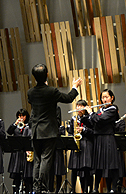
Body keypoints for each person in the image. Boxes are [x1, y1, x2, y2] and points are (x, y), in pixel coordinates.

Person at [27, 63, 81, 193]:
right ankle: (43, 187)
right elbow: (68, 98)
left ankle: (36, 188)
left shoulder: (30, 92)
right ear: (47, 75)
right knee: (46, 159)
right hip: (48, 131)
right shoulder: (51, 91)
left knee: (37, 161)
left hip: (35, 131)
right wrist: (75, 87)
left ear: (34, 77)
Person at [87, 89, 122, 193]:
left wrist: (91, 114)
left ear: (112, 98)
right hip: (98, 138)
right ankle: (95, 188)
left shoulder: (113, 109)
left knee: (111, 163)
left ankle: (113, 188)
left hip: (108, 138)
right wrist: (90, 116)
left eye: (106, 97)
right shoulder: (100, 110)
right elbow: (94, 122)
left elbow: (101, 119)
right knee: (98, 164)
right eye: (102, 97)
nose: (104, 99)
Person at [67, 100, 94, 193]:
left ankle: (87, 190)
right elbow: (70, 132)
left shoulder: (89, 119)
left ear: (85, 108)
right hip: (76, 144)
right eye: (77, 106)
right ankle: (73, 190)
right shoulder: (74, 119)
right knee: (74, 168)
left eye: (81, 106)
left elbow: (93, 132)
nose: (79, 108)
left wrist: (84, 130)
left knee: (86, 169)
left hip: (86, 144)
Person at [7, 109, 30, 193]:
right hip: (16, 154)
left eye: (23, 116)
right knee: (16, 175)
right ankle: (15, 191)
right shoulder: (15, 126)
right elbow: (9, 132)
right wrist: (15, 124)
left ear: (26, 117)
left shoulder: (28, 126)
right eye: (19, 116)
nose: (21, 118)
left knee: (27, 176)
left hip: (25, 153)